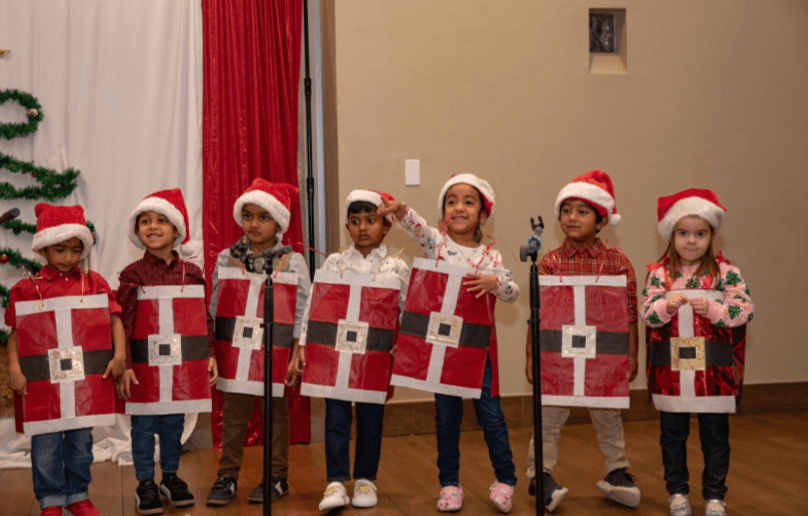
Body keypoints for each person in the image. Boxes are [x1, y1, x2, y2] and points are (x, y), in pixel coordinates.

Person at [378, 174, 519, 513]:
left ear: (483, 216)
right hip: (440, 351)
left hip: (476, 352)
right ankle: (450, 484)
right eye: (452, 201)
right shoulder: (436, 245)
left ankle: (505, 479)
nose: (459, 207)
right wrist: (400, 210)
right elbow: (418, 228)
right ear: (444, 211)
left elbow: (513, 293)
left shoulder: (491, 259)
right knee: (446, 417)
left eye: (469, 202)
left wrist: (494, 282)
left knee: (491, 415)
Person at [524, 170, 641, 512]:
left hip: (603, 356)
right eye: (567, 209)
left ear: (602, 220)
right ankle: (540, 475)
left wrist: (631, 354)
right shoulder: (549, 263)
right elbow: (538, 314)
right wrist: (532, 356)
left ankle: (617, 471)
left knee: (608, 414)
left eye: (583, 211)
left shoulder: (618, 263)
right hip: (557, 355)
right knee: (548, 414)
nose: (572, 217)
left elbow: (629, 313)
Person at [5, 203, 126, 516]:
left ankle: (77, 494)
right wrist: (14, 369)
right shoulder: (26, 290)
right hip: (43, 384)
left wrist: (120, 355)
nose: (70, 257)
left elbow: (114, 320)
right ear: (44, 249)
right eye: (61, 249)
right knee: (45, 446)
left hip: (83, 385)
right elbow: (16, 334)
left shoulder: (94, 284)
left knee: (80, 444)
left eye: (76, 250)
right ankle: (50, 499)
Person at [640, 189, 753, 516]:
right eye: (684, 233)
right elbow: (647, 313)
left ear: (712, 235)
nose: (692, 241)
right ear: (671, 234)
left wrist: (717, 309)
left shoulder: (726, 273)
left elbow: (745, 308)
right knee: (672, 435)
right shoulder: (659, 274)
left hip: (713, 374)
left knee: (716, 436)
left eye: (700, 233)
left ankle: (715, 495)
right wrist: (665, 305)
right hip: (671, 374)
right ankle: (677, 493)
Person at [295, 189, 409, 511]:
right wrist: (304, 343)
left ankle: (365, 480)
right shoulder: (335, 262)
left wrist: (404, 353)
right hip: (336, 358)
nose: (362, 228)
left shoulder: (396, 265)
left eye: (370, 221)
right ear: (347, 228)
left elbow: (408, 310)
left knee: (372, 421)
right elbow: (315, 307)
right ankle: (335, 482)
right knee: (336, 418)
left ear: (385, 226)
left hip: (375, 360)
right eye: (355, 221)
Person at [205, 178, 311, 506]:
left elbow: (303, 310)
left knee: (275, 415)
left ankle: (277, 477)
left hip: (276, 353)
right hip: (235, 351)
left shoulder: (292, 261)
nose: (254, 223)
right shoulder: (227, 258)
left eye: (263, 217)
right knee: (234, 414)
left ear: (279, 222)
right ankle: (227, 476)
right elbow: (214, 307)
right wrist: (213, 351)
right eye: (248, 216)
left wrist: (297, 351)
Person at [116, 188, 218, 515]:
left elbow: (203, 319)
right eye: (145, 221)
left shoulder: (193, 275)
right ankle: (145, 482)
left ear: (176, 229)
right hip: (143, 368)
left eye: (162, 220)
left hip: (180, 367)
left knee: (174, 424)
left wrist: (210, 353)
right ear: (137, 231)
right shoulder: (131, 275)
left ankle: (170, 477)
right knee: (143, 427)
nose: (153, 226)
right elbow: (124, 323)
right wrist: (126, 364)